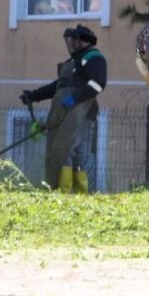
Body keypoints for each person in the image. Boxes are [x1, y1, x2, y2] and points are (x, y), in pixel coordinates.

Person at [21, 24, 107, 193]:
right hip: (64, 112)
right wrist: (34, 95)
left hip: (82, 113)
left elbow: (98, 84)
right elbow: (59, 86)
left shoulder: (94, 58)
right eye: (69, 41)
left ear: (83, 41)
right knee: (67, 150)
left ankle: (66, 192)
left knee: (67, 148)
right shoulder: (73, 62)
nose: (71, 45)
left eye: (74, 40)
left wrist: (76, 98)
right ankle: (67, 190)